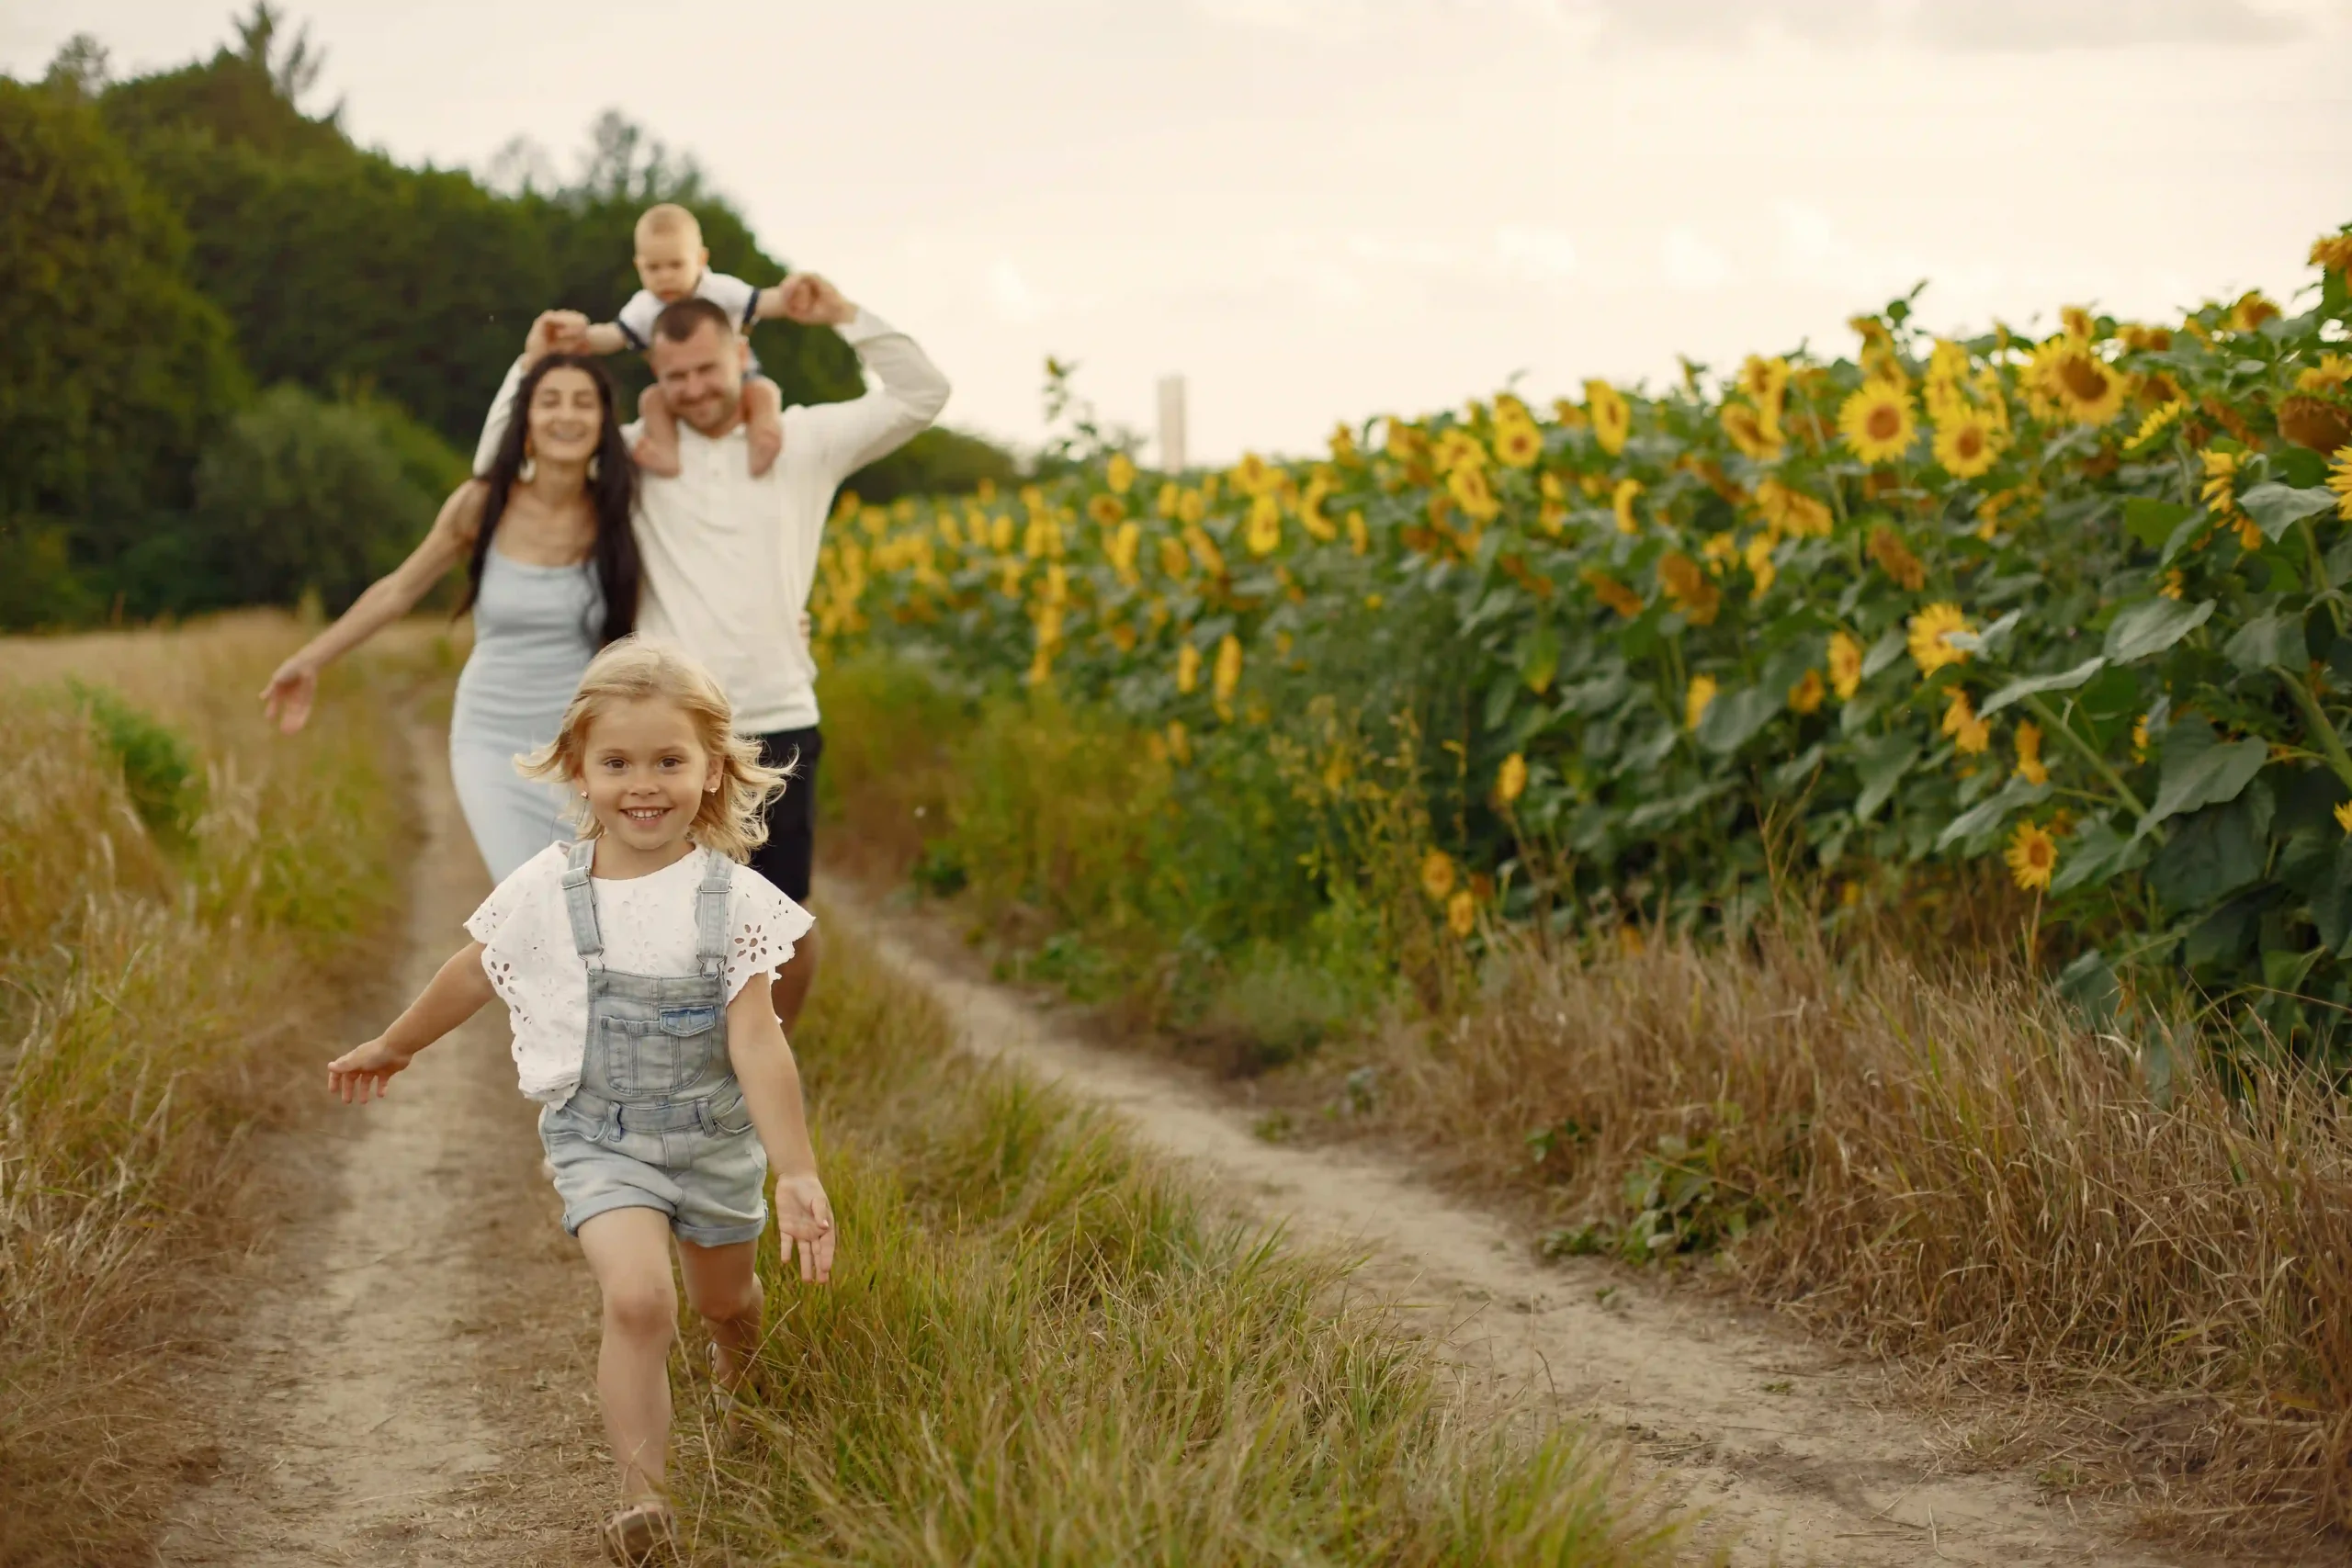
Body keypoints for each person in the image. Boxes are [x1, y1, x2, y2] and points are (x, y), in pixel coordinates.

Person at [323, 637, 835, 1566]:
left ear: (712, 768)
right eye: (617, 763)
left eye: (669, 761)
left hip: (715, 1141)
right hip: (601, 1139)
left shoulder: (735, 901)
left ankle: (747, 1381)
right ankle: (648, 1509)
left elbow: (759, 1041)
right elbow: (477, 969)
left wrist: (795, 1169)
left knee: (725, 1300)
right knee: (639, 1301)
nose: (644, 785)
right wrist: (396, 1044)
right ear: (579, 769)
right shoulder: (550, 888)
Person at [474, 273, 949, 1033]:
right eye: (675, 377)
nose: (694, 389)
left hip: (780, 717)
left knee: (780, 930)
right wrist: (528, 364)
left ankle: (753, 1081)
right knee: (655, 931)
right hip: (667, 739)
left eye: (707, 369)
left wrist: (845, 317)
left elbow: (922, 394)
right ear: (656, 382)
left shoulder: (803, 441)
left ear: (741, 353)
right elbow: (508, 460)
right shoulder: (633, 457)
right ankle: (642, 1093)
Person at [261, 355, 641, 883]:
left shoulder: (623, 513)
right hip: (492, 737)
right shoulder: (480, 504)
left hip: (586, 746)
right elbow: (398, 590)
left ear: (604, 423)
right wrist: (309, 660)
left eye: (584, 403)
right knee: (528, 895)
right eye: (549, 401)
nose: (566, 416)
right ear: (526, 420)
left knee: (592, 901)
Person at [577, 203, 789, 479]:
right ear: (639, 266)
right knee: (651, 400)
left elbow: (761, 302)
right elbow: (614, 335)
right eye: (653, 268)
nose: (665, 277)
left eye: (676, 265)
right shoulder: (644, 305)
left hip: (738, 372)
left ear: (701, 261)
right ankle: (666, 452)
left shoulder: (719, 289)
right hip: (673, 381)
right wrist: (584, 338)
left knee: (763, 392)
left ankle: (764, 437)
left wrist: (789, 297)